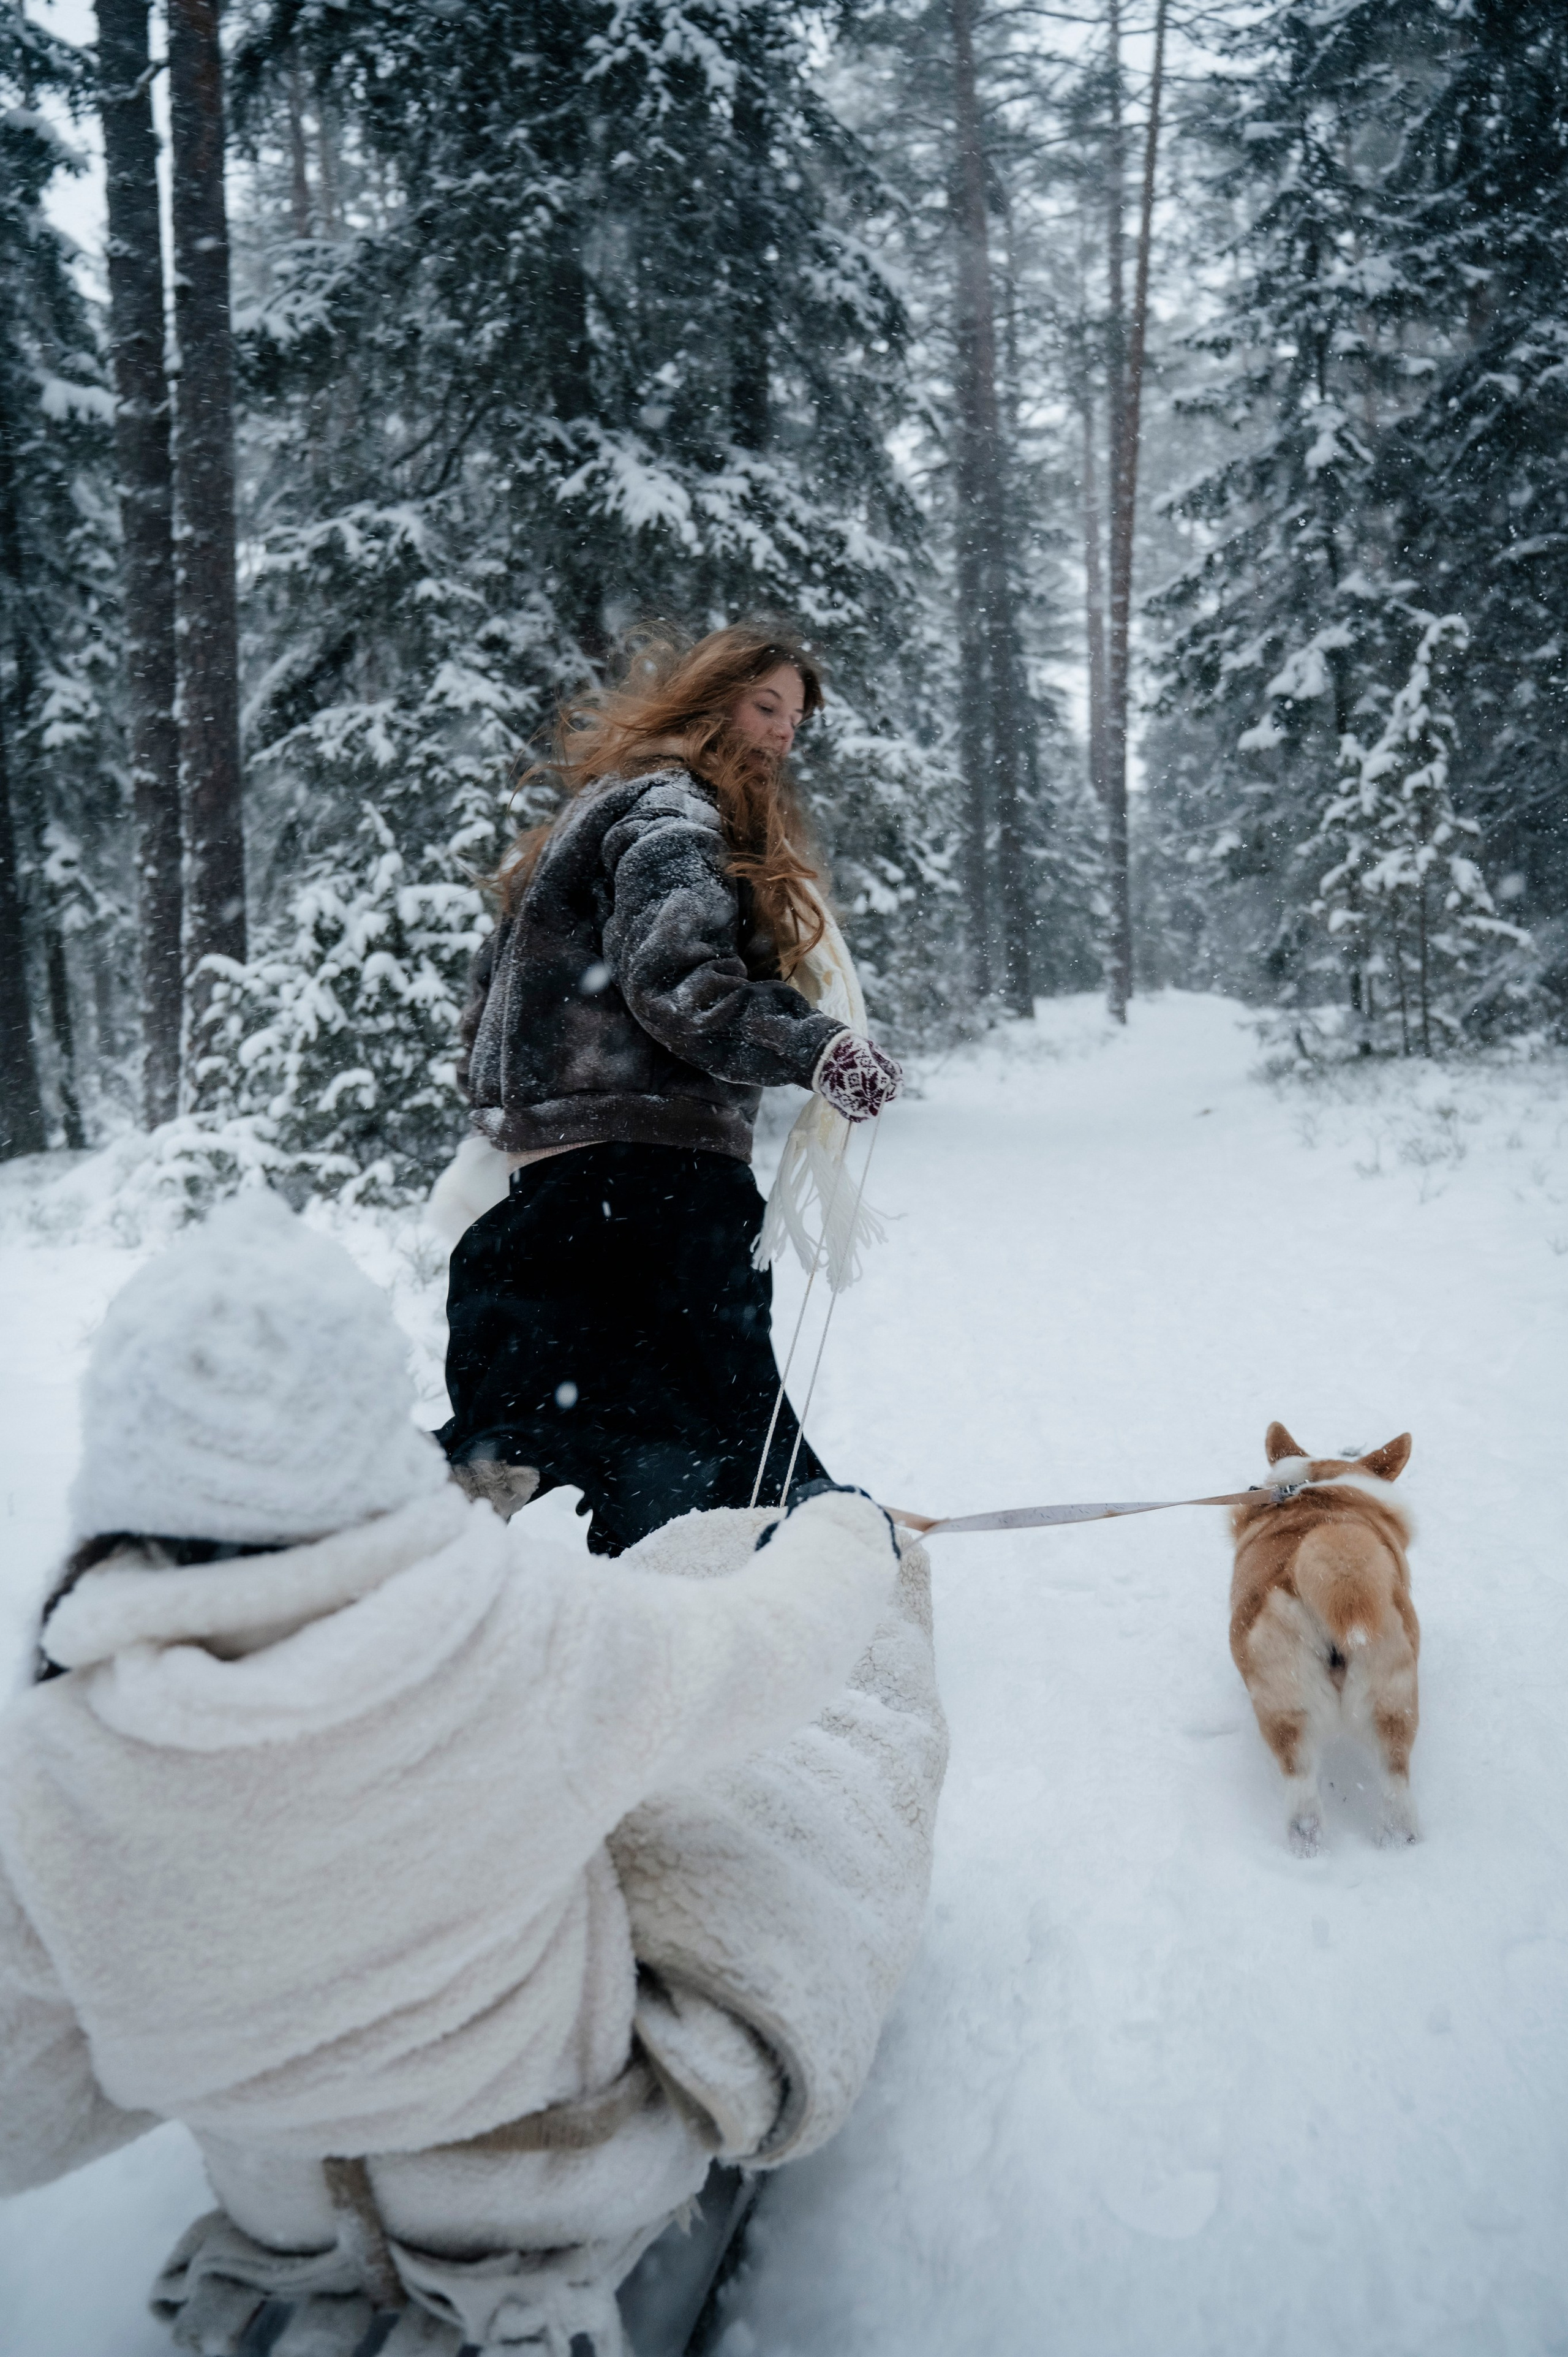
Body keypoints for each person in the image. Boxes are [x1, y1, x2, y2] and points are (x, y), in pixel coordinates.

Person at [0, 1197, 947, 2356]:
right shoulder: (507, 1634)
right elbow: (773, 1655)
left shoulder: (46, 1758)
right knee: (742, 1806)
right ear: (363, 1436)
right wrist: (842, 1536)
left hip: (278, 2201)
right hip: (542, 2182)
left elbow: (29, 2098)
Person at [437, 621, 902, 1555]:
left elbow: (489, 1007)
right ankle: (781, 1588)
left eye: (796, 719)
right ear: (708, 697)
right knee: (707, 1428)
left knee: (542, 1421)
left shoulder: (596, 813)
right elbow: (680, 985)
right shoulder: (673, 815)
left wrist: (537, 1118)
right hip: (654, 1182)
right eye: (763, 705)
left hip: (556, 1186)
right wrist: (821, 1051)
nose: (780, 734)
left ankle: (432, 1594)